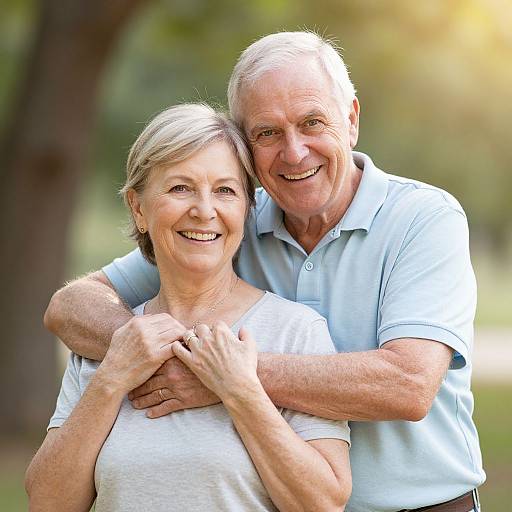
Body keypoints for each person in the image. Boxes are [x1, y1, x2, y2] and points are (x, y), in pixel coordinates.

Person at [43, 31, 485, 511]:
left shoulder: (423, 219)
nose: (294, 152)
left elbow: (408, 385)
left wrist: (225, 375)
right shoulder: (223, 224)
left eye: (312, 122)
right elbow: (71, 307)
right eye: (268, 133)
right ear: (244, 146)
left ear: (351, 120)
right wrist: (148, 351)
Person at [25, 104, 352, 511]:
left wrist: (240, 391)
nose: (204, 209)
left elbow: (324, 505)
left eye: (225, 190)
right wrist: (111, 379)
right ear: (139, 208)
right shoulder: (110, 342)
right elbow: (46, 503)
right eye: (180, 188)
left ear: (246, 210)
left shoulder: (295, 332)